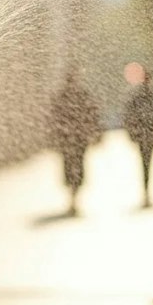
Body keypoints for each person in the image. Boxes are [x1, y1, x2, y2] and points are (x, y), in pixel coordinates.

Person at [49, 68, 101, 216]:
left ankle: (73, 195)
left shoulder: (63, 96)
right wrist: (94, 132)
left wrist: (56, 135)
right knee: (76, 164)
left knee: (70, 164)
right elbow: (92, 114)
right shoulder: (81, 95)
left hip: (69, 138)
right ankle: (74, 194)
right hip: (78, 138)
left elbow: (54, 118)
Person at [124, 70, 153, 208]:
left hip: (148, 135)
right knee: (146, 162)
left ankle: (147, 191)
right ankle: (146, 192)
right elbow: (130, 116)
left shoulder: (149, 98)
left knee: (147, 162)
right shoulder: (141, 98)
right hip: (145, 135)